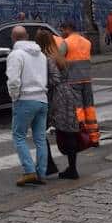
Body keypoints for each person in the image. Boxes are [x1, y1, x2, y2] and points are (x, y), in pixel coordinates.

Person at [35, 28, 81, 180]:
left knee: (42, 129)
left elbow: (54, 79)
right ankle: (71, 168)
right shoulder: (59, 56)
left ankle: (50, 165)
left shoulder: (47, 58)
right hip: (68, 94)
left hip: (57, 97)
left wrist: (43, 84)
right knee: (67, 131)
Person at [6, 25, 48, 186]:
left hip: (25, 99)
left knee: (19, 136)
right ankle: (41, 172)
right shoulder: (41, 55)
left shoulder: (16, 55)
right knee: (40, 138)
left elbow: (14, 79)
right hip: (42, 99)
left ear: (13, 37)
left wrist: (15, 96)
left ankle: (29, 170)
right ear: (27, 36)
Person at [60, 20, 100, 146]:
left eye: (62, 30)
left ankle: (81, 137)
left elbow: (60, 61)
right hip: (87, 79)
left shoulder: (66, 42)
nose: (61, 33)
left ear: (67, 29)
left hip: (73, 80)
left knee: (78, 109)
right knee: (89, 108)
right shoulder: (87, 42)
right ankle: (94, 138)